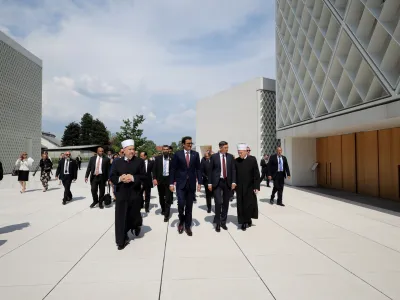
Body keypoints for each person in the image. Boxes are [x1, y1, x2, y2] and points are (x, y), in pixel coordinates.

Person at [110, 139, 146, 250]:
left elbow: (144, 177)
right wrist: (121, 178)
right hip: (121, 194)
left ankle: (136, 224)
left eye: (133, 149)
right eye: (129, 149)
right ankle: (121, 240)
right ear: (124, 150)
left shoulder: (139, 162)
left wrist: (133, 177)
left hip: (135, 194)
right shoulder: (117, 162)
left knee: (133, 215)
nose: (132, 151)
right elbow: (112, 177)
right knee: (120, 217)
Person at [170, 136, 202, 236]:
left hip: (191, 184)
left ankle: (188, 226)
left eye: (191, 143)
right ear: (183, 144)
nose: (190, 145)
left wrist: (199, 183)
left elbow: (198, 169)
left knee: (189, 206)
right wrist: (171, 183)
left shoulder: (195, 154)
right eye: (188, 143)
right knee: (180, 203)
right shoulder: (177, 154)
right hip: (180, 183)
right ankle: (181, 220)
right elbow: (173, 169)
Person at [208, 141, 236, 232]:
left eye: (227, 147)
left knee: (226, 203)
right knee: (218, 202)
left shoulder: (230, 157)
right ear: (220, 148)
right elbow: (210, 171)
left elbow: (233, 170)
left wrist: (233, 182)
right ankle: (217, 222)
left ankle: (223, 222)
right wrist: (209, 183)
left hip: (227, 182)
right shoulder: (214, 157)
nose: (227, 149)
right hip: (217, 182)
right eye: (225, 147)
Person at [235, 143, 260, 231]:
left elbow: (256, 174)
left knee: (249, 205)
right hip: (239, 187)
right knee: (241, 205)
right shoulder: (236, 161)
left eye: (241, 152)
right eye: (238, 152)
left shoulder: (252, 160)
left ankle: (248, 219)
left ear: (246, 151)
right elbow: (234, 174)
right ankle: (243, 222)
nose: (239, 154)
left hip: (250, 187)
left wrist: (256, 186)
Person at [153, 145, 173, 222]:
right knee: (161, 196)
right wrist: (154, 178)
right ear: (162, 150)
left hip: (169, 180)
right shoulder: (157, 159)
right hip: (160, 180)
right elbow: (154, 169)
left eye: (167, 149)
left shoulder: (172, 159)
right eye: (164, 149)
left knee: (168, 198)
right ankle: (163, 209)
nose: (165, 150)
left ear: (169, 150)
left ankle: (166, 215)